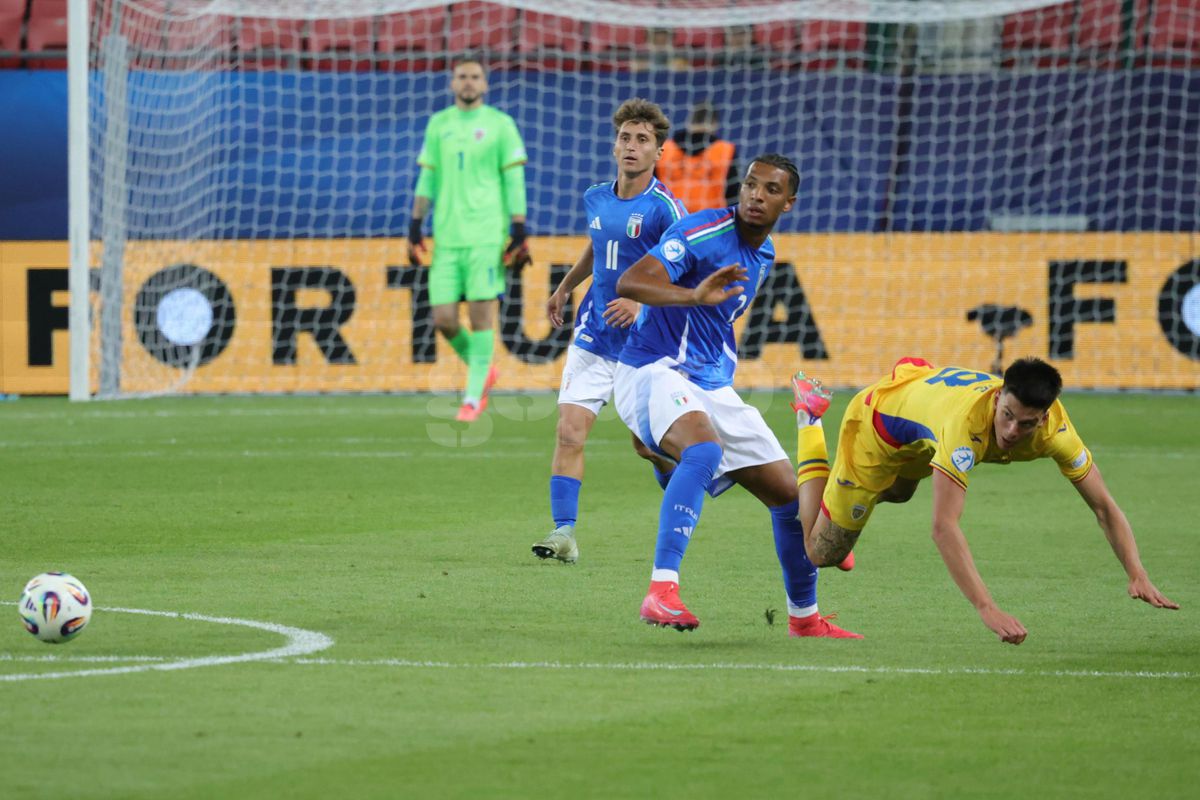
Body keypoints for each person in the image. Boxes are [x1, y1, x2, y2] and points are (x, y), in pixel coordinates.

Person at [612, 154, 860, 638]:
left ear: (788, 203)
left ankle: (804, 618)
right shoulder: (703, 231)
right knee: (704, 450)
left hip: (711, 384)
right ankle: (660, 591)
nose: (755, 195)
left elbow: (714, 325)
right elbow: (631, 281)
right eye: (749, 185)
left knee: (790, 497)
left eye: (770, 190)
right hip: (652, 368)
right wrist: (691, 295)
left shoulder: (764, 256)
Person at [790, 357, 1179, 645]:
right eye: (1006, 415)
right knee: (820, 552)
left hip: (922, 416)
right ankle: (809, 415)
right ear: (998, 398)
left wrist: (1136, 572)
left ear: (1043, 419)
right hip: (879, 425)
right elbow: (943, 528)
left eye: (1025, 423)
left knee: (901, 493)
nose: (1011, 431)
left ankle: (846, 521)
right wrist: (986, 607)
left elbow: (1103, 506)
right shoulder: (966, 430)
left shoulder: (1058, 431)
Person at [532, 98, 686, 565]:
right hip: (595, 336)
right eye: (625, 138)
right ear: (613, 144)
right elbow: (599, 247)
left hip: (644, 344)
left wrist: (640, 299)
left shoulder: (665, 209)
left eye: (643, 140)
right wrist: (564, 287)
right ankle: (564, 533)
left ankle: (672, 468)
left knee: (645, 445)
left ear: (659, 152)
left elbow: (683, 266)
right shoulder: (595, 196)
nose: (632, 147)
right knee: (569, 431)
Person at [407, 57, 530, 422]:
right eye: (462, 76)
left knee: (480, 318)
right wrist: (415, 223)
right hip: (445, 237)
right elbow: (428, 178)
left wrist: (519, 227)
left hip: (486, 236)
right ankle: (483, 369)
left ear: (485, 84)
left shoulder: (500, 125)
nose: (468, 82)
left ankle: (473, 397)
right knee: (443, 319)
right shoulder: (438, 124)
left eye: (475, 76)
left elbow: (513, 180)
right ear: (452, 83)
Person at [655, 102, 739, 213]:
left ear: (689, 122)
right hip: (709, 224)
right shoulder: (725, 151)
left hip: (669, 221)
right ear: (714, 124)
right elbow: (733, 195)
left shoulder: (664, 149)